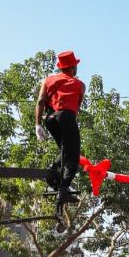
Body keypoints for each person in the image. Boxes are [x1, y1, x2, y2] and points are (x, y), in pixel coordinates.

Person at [35, 50, 86, 204]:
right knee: (73, 157)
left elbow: (40, 101)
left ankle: (52, 174)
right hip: (66, 117)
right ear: (72, 68)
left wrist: (38, 125)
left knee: (65, 150)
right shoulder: (79, 85)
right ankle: (63, 190)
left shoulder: (48, 80)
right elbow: (75, 109)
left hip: (50, 119)